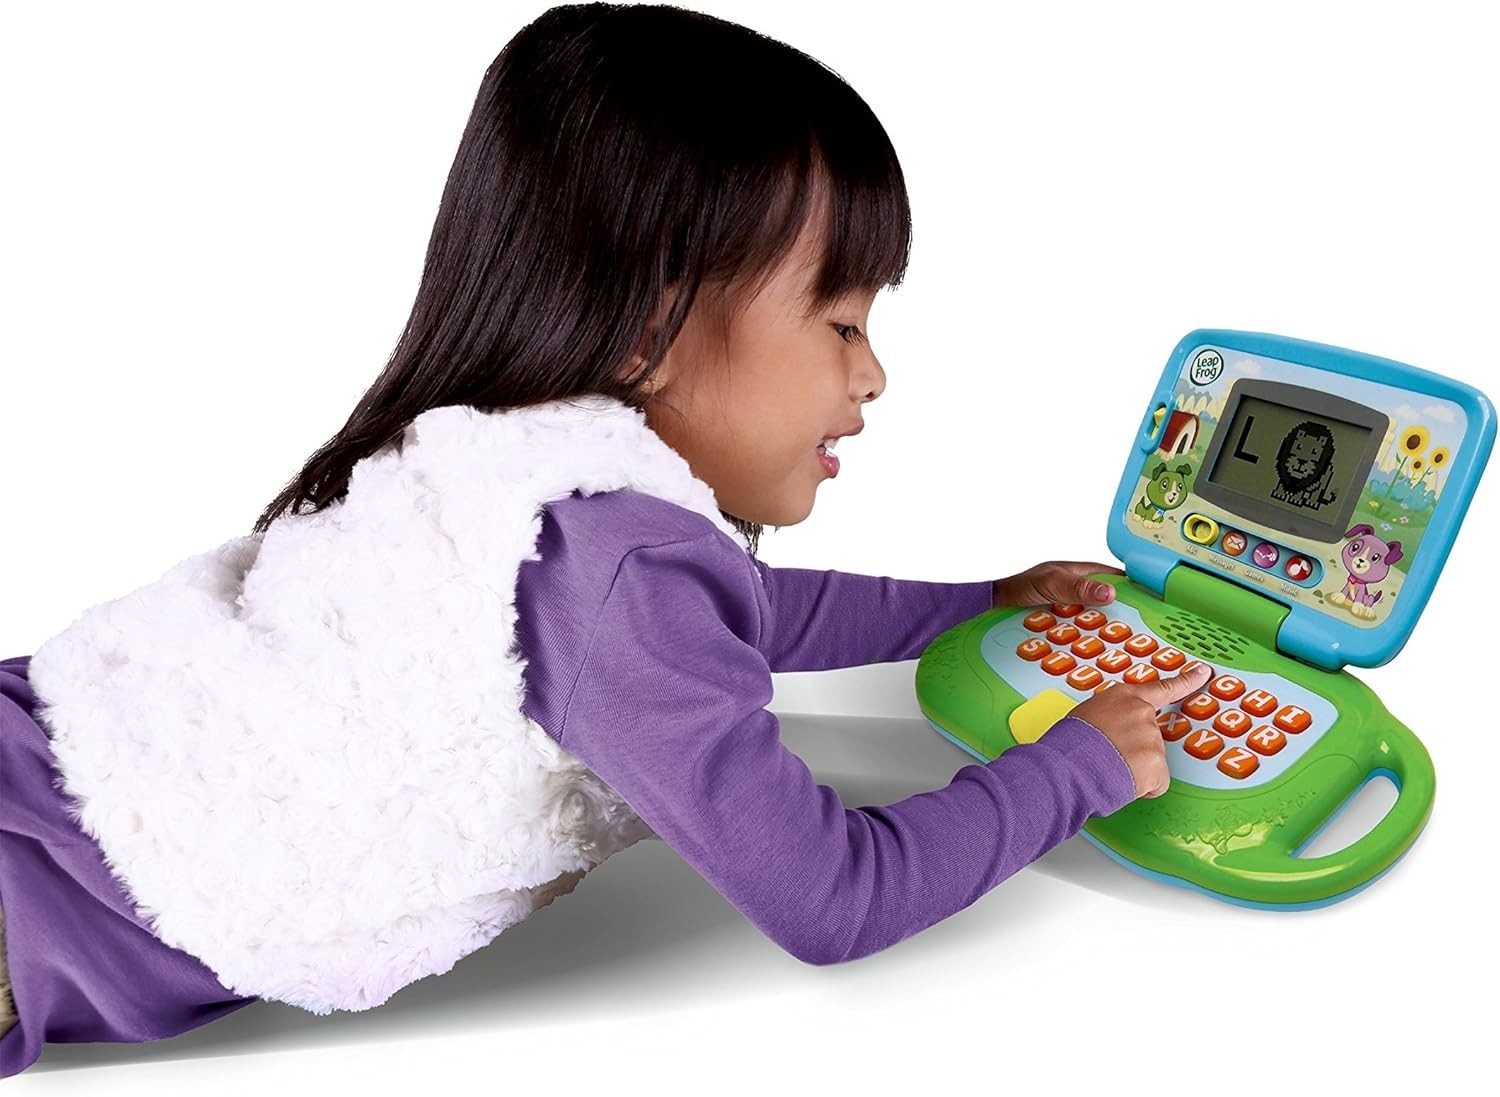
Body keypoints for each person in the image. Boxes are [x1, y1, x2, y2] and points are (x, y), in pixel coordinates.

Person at [0, 2, 1210, 1077]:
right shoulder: (615, 574)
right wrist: (1075, 768)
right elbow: (834, 894)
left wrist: (980, 600)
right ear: (648, 324)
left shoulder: (504, 465)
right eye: (841, 321)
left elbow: (747, 610)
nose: (874, 372)